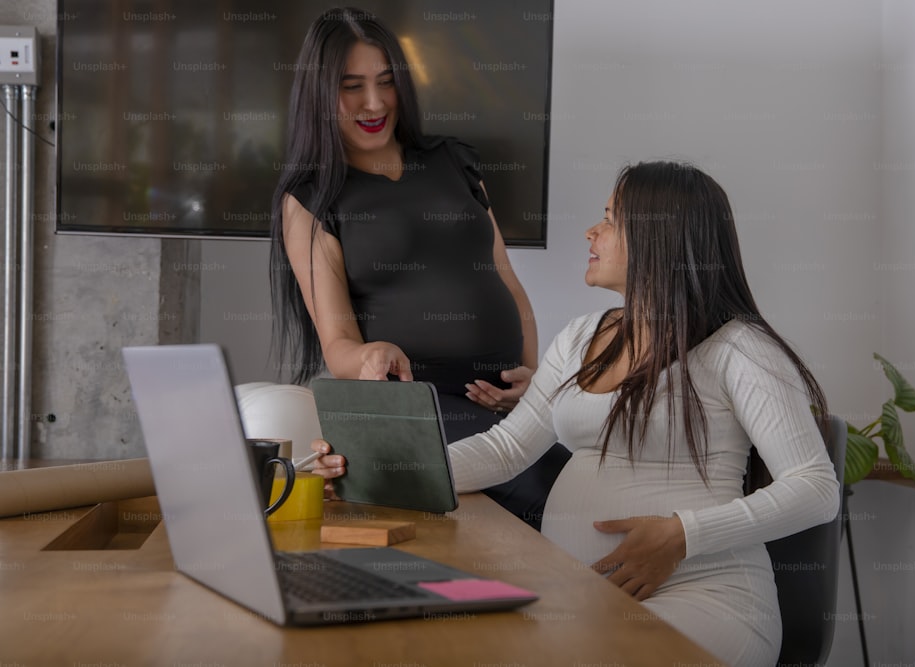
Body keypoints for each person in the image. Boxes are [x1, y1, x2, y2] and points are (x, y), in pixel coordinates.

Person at [310, 161, 841, 666]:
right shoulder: (582, 336)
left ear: (661, 237)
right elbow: (506, 448)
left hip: (704, 596)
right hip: (585, 595)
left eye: (610, 220)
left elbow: (815, 487)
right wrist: (380, 470)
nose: (591, 232)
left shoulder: (740, 349)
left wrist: (681, 535)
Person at [269, 6, 569, 530]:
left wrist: (534, 386)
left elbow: (508, 283)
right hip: (420, 411)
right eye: (352, 86)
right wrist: (370, 353)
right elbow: (338, 346)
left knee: (589, 483)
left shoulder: (455, 161)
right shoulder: (313, 200)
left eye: (386, 83)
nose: (374, 102)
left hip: (509, 406)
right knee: (564, 498)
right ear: (318, 95)